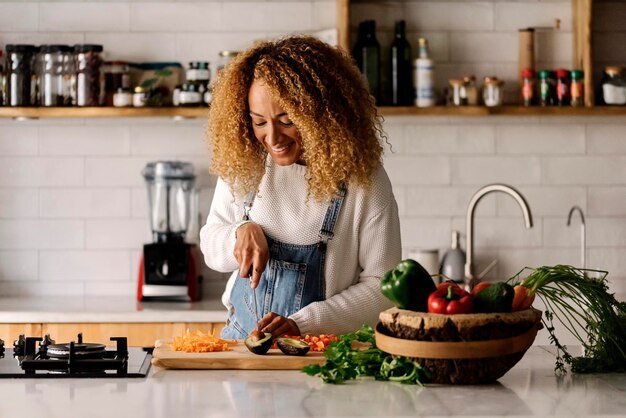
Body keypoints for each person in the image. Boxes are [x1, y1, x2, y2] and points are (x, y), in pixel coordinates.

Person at [200, 35, 401, 340]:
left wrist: (303, 324)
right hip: (240, 345)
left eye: (287, 120)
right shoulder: (245, 163)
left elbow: (383, 288)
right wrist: (239, 233)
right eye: (259, 122)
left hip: (321, 354)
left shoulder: (364, 180)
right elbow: (210, 244)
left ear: (322, 113)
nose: (273, 138)